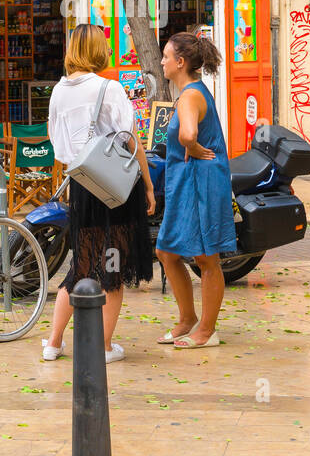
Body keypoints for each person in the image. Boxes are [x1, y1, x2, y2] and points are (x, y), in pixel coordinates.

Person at [44, 23, 155, 363]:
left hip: (82, 184)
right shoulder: (109, 88)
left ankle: (53, 342)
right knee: (113, 264)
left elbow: (56, 142)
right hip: (114, 186)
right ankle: (104, 347)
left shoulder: (59, 91)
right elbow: (130, 140)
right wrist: (149, 186)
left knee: (83, 262)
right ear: (97, 49)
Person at [156, 32, 237, 349]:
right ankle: (188, 319)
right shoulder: (190, 91)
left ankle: (207, 330)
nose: (162, 61)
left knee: (205, 257)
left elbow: (188, 133)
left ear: (180, 62)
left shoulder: (190, 95)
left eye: (165, 56)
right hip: (188, 182)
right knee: (166, 251)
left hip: (201, 181)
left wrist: (193, 145)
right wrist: (191, 145)